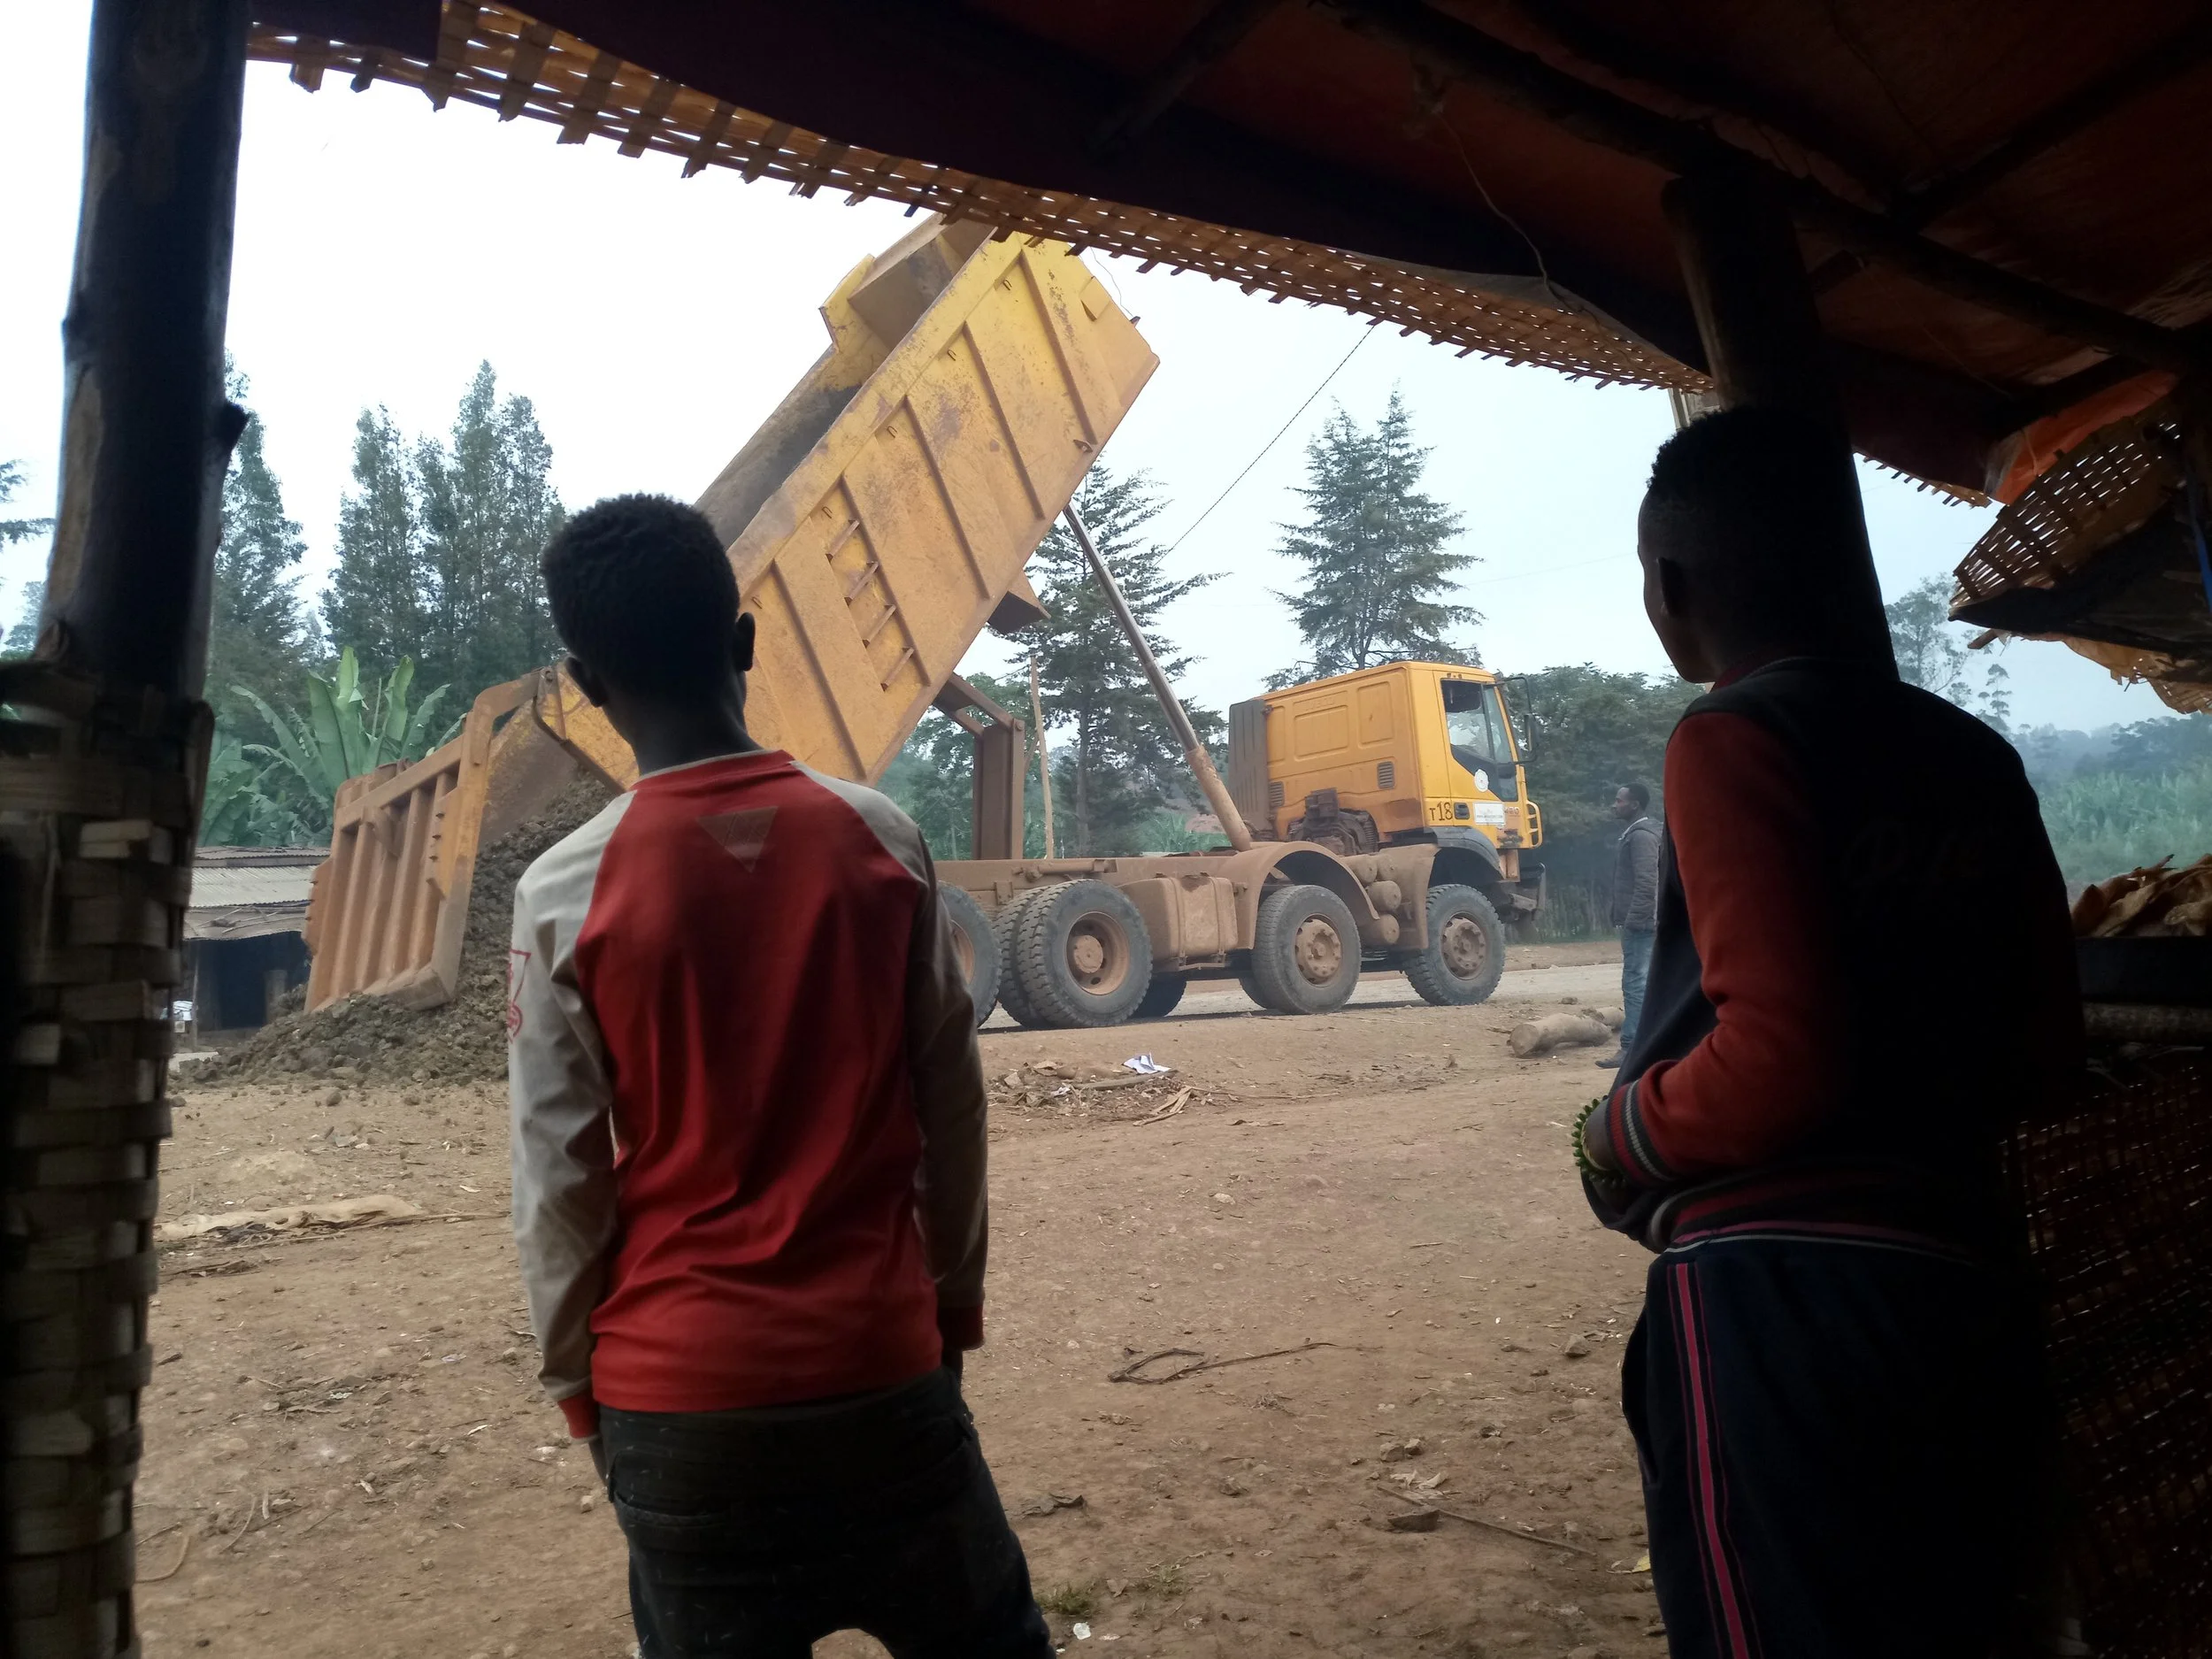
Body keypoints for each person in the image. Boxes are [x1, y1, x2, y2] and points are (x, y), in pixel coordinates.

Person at [507, 494, 1051, 1658]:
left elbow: (559, 1175)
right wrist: (948, 1305)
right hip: (881, 1373)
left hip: (679, 1403)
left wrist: (579, 1386)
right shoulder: (882, 839)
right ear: (744, 638)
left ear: (587, 681)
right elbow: (948, 1104)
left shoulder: (561, 892)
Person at [1573, 409, 2079, 1658]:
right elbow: (2048, 1046)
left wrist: (1616, 1131)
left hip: (1781, 1296)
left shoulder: (1733, 733)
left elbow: (1781, 1056)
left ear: (1674, 587)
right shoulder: (1973, 754)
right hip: (1966, 1271)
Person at [1598, 781, 1660, 1068]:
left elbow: (1648, 882)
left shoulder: (1641, 837)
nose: (1615, 804)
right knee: (1644, 982)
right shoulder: (1640, 834)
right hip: (1646, 920)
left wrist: (1635, 920)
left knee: (1634, 983)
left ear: (1634, 805)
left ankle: (1630, 1049)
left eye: (1619, 800)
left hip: (1642, 923)